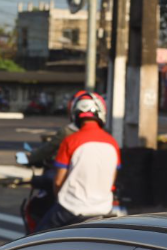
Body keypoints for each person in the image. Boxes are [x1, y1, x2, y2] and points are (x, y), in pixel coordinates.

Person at [34, 90, 121, 232]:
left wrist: (59, 198)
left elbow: (58, 181)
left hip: (71, 209)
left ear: (75, 114)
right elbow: (112, 179)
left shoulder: (70, 141)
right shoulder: (113, 143)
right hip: (104, 209)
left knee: (35, 240)